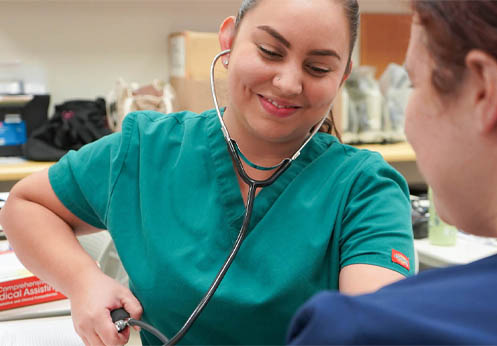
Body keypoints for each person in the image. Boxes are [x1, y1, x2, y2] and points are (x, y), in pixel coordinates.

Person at [0, 0, 415, 345]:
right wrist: (82, 282)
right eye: (270, 52)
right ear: (229, 40)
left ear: (342, 78)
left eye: (318, 68)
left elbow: (376, 324)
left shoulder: (365, 189)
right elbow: (27, 205)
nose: (289, 82)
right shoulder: (147, 148)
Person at [287, 0, 497, 344]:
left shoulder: (363, 328)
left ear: (484, 91)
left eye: (411, 84)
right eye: (268, 51)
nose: (287, 83)